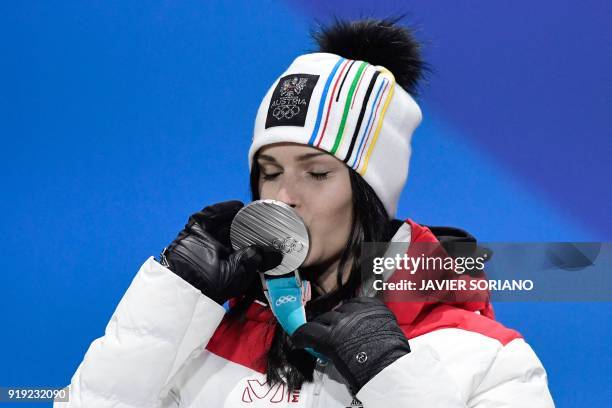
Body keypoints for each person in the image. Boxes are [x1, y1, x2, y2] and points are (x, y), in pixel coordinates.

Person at [56, 18, 555, 407]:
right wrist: (173, 295)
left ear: (370, 195)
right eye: (270, 171)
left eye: (317, 174)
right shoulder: (205, 325)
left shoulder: (490, 357)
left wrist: (388, 373)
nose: (284, 196)